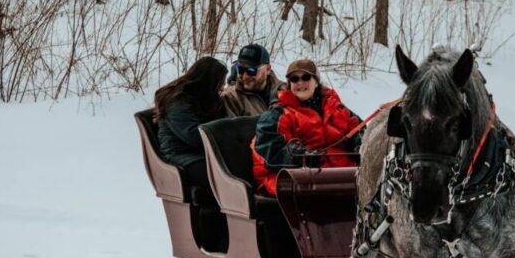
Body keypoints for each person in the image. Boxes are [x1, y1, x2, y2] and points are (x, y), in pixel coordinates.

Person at [251, 59, 362, 196]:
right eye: (294, 79)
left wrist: (360, 145)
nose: (300, 82)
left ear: (316, 82)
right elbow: (270, 150)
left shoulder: (335, 107)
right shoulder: (277, 115)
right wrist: (301, 157)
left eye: (306, 77)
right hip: (291, 176)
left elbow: (358, 129)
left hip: (339, 171)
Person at [154, 57, 228, 190]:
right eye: (220, 83)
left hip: (203, 153)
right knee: (224, 177)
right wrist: (225, 139)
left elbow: (221, 123)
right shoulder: (177, 102)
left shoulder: (207, 99)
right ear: (208, 82)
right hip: (181, 154)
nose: (222, 87)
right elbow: (194, 135)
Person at [221, 43, 286, 117]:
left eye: (251, 71)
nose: (245, 76)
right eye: (240, 69)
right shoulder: (231, 97)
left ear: (268, 69)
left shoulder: (286, 91)